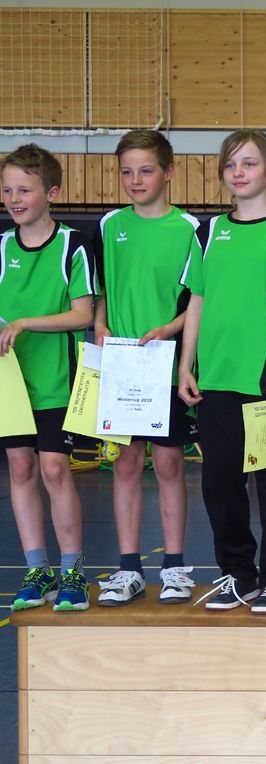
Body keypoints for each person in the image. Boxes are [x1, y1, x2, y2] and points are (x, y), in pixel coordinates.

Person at [179, 130, 266, 614]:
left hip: (265, 383)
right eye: (231, 164)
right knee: (219, 485)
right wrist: (185, 365)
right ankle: (239, 575)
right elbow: (197, 300)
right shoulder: (208, 232)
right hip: (214, 381)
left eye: (249, 163)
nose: (239, 173)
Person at [92, 131, 199, 606]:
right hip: (121, 364)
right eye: (127, 171)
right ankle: (129, 568)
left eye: (146, 170)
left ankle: (174, 566)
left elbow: (198, 299)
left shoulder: (191, 229)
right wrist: (99, 325)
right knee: (126, 462)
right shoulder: (109, 225)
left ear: (169, 172)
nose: (135, 180)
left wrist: (169, 330)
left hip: (166, 362)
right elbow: (100, 290)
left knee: (170, 463)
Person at [0, 144, 95, 612]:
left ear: (51, 193)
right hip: (11, 382)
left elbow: (83, 314)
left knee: (55, 470)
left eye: (25, 190)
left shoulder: (73, 246)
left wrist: (24, 323)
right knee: (20, 469)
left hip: (58, 379)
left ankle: (73, 571)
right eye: (7, 190)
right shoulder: (2, 246)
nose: (14, 199)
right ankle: (36, 569)